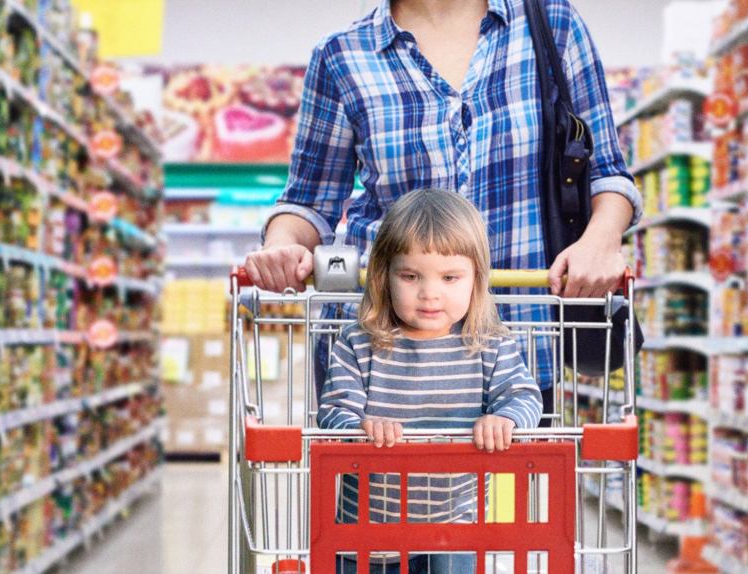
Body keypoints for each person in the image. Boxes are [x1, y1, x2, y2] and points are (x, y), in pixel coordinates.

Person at [247, 0, 641, 416]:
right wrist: (281, 245)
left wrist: (601, 240)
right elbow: (308, 202)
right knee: (375, 483)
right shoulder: (343, 56)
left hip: (516, 339)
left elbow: (608, 173)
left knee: (508, 480)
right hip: (379, 353)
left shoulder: (551, 25)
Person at [317, 189, 543, 574]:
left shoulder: (489, 343)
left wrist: (505, 418)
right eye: (410, 276)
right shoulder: (359, 342)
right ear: (382, 276)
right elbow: (334, 411)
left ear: (476, 280)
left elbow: (523, 395)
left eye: (451, 277)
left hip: (457, 527)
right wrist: (361, 426)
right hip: (372, 536)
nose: (430, 293)